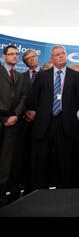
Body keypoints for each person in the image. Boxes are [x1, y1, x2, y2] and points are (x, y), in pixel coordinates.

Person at [27, 45, 79, 189]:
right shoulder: (42, 75)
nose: (61, 56)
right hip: (45, 123)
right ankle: (40, 190)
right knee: (42, 159)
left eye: (63, 53)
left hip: (65, 123)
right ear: (52, 58)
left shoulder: (75, 76)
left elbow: (78, 100)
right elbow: (34, 98)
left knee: (64, 160)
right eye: (57, 54)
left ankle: (63, 191)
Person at [9, 50, 41, 197]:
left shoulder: (48, 74)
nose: (31, 60)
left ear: (37, 57)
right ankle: (23, 189)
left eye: (33, 57)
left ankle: (37, 187)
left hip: (42, 122)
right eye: (28, 59)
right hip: (24, 122)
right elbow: (18, 98)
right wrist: (26, 111)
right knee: (23, 157)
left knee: (39, 157)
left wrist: (37, 113)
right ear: (25, 62)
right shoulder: (21, 77)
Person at [0, 45, 25, 206]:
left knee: (7, 161)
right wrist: (4, 119)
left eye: (17, 54)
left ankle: (3, 194)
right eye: (12, 54)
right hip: (1, 119)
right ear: (4, 56)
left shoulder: (19, 76)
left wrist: (16, 114)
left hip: (13, 123)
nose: (15, 56)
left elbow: (23, 97)